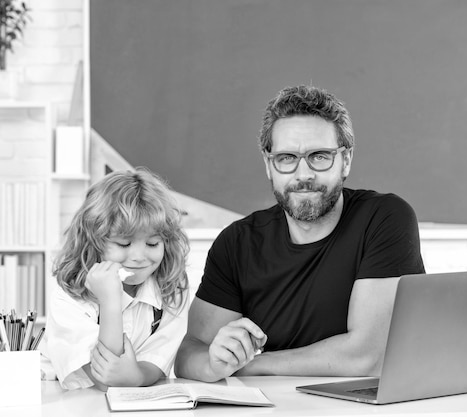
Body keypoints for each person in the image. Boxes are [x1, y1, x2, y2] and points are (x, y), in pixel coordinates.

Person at [174, 85, 425, 382]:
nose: (303, 175)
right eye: (287, 158)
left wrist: (255, 365)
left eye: (319, 156)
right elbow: (189, 354)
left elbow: (368, 356)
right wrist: (215, 363)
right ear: (270, 165)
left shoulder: (383, 218)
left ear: (345, 160)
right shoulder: (236, 243)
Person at [42, 167, 190, 390]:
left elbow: (157, 361)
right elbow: (104, 379)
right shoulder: (68, 297)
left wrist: (137, 377)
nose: (139, 257)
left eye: (152, 244)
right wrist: (110, 301)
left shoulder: (171, 288)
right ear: (94, 241)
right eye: (124, 244)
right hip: (66, 401)